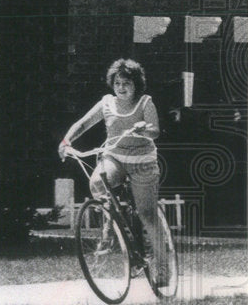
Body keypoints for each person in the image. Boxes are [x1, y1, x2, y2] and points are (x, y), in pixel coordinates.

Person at [58, 58, 168, 284]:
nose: (121, 87)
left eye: (126, 83)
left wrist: (143, 129)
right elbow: (83, 123)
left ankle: (163, 267)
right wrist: (66, 141)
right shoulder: (107, 103)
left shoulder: (145, 103)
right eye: (117, 83)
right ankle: (111, 223)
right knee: (98, 182)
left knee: (147, 214)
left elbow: (155, 130)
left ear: (136, 84)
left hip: (142, 162)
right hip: (115, 157)